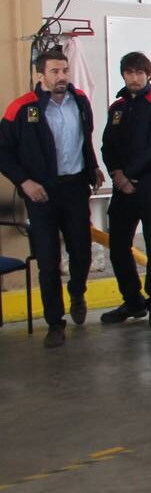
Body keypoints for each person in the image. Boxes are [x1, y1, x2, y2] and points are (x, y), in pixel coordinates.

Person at [0, 49, 104, 347]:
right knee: (48, 260)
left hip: (74, 188)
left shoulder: (80, 101)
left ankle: (77, 292)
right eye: (55, 72)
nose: (62, 77)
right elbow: (3, 151)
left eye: (65, 70)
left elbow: (84, 138)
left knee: (82, 251)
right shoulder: (22, 108)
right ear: (40, 75)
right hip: (41, 192)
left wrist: (93, 165)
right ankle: (55, 323)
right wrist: (24, 182)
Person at [100, 52, 151, 328]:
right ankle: (132, 301)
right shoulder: (117, 107)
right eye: (129, 73)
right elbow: (108, 145)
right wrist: (117, 174)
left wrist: (129, 175)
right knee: (118, 245)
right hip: (122, 187)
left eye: (139, 72)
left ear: (148, 74)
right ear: (123, 75)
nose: (134, 77)